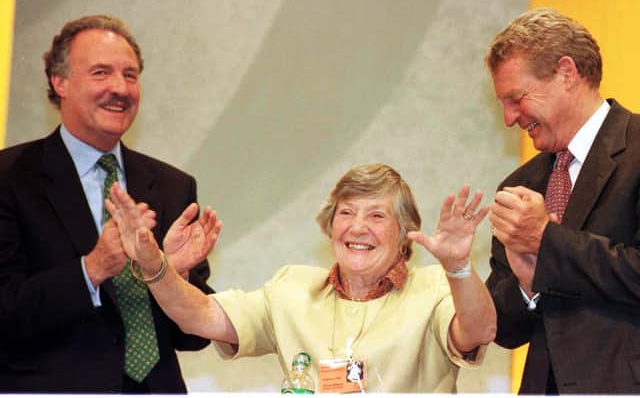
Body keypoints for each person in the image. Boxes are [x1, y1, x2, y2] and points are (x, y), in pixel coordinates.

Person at [106, 163, 496, 393]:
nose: (357, 228)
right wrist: (154, 265)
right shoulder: (292, 289)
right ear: (329, 227)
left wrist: (459, 267)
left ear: (405, 232)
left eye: (377, 216)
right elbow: (199, 316)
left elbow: (478, 331)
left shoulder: (434, 289)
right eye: (346, 213)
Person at [0, 15, 221, 393]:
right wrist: (92, 268)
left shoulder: (172, 186)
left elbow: (194, 338)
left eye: (130, 75)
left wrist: (175, 279)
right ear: (60, 81)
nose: (120, 88)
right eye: (101, 73)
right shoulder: (9, 177)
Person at [485, 7, 640, 394]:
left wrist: (546, 242)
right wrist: (527, 285)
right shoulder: (520, 186)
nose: (508, 118)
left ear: (566, 73)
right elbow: (503, 329)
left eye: (516, 98)